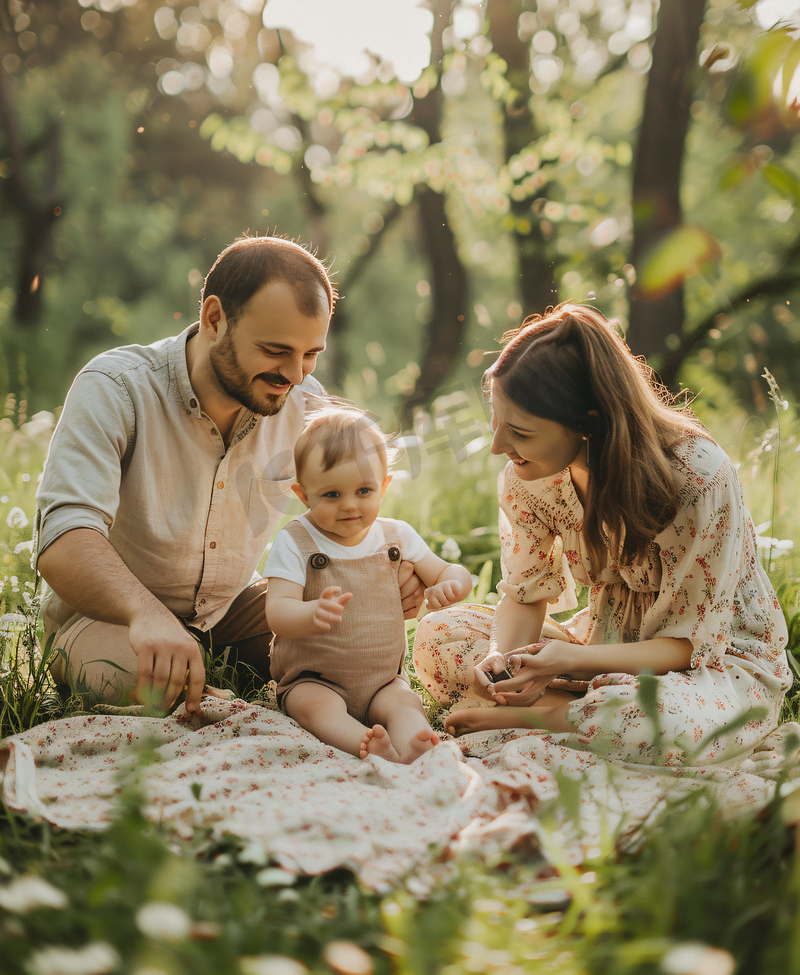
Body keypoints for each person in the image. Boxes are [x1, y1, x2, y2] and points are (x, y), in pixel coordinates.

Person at [34, 235, 424, 714]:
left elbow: (344, 503)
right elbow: (64, 540)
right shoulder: (116, 389)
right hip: (109, 618)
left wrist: (386, 572)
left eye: (310, 354)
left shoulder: (302, 402)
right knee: (154, 682)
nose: (296, 374)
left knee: (355, 636)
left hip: (232, 608)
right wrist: (148, 615)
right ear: (215, 318)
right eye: (276, 350)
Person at [413, 303, 792, 767]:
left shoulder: (697, 479)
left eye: (520, 432)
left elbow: (686, 645)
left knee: (658, 718)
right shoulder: (528, 476)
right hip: (602, 641)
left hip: (713, 663)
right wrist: (502, 661)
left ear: (590, 421)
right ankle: (580, 710)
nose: (498, 446)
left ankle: (551, 718)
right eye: (496, 422)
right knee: (439, 636)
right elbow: (525, 594)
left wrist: (566, 663)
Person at [264, 405, 473, 762]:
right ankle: (366, 743)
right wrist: (309, 612)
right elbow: (277, 612)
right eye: (331, 495)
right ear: (304, 495)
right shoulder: (295, 540)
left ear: (384, 486)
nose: (349, 506)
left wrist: (449, 585)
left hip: (383, 680)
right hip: (314, 679)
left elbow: (451, 572)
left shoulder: (396, 536)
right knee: (313, 708)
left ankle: (413, 746)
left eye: (363, 491)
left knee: (404, 704)